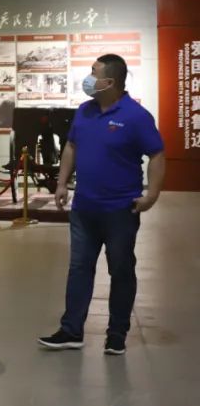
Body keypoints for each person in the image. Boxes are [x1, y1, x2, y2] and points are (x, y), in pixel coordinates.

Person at [38, 54, 164, 355]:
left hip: (120, 210)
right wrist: (61, 183)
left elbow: (157, 154)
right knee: (79, 268)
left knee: (120, 269)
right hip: (84, 207)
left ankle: (117, 333)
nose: (88, 78)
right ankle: (71, 330)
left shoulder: (136, 116)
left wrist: (152, 195)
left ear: (110, 82)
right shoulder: (85, 111)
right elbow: (71, 146)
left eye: (93, 73)